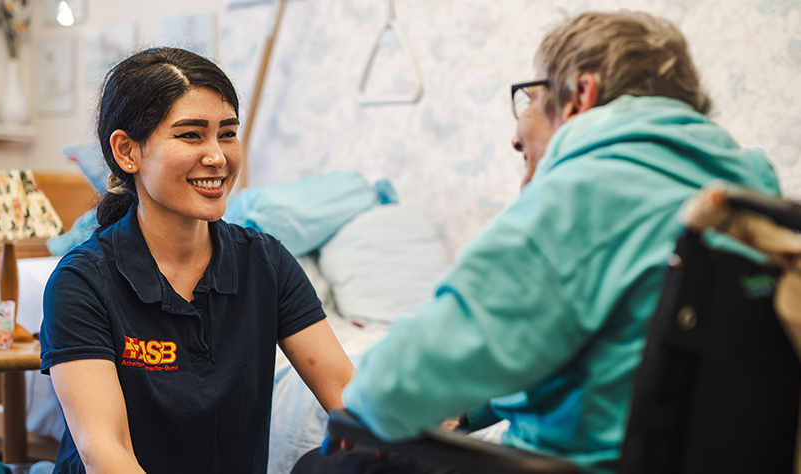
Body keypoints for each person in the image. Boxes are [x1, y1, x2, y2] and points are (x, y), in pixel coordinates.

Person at [293, 10, 781, 474]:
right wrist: (467, 411)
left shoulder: (586, 194)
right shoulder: (751, 197)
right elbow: (597, 358)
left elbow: (398, 381)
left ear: (579, 96)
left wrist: (360, 409)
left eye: (532, 98)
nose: (515, 135)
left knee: (322, 463)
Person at [39, 47, 355, 474]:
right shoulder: (82, 281)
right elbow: (105, 452)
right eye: (191, 135)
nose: (218, 157)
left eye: (227, 133)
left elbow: (347, 395)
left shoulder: (266, 263)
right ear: (127, 151)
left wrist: (448, 417)